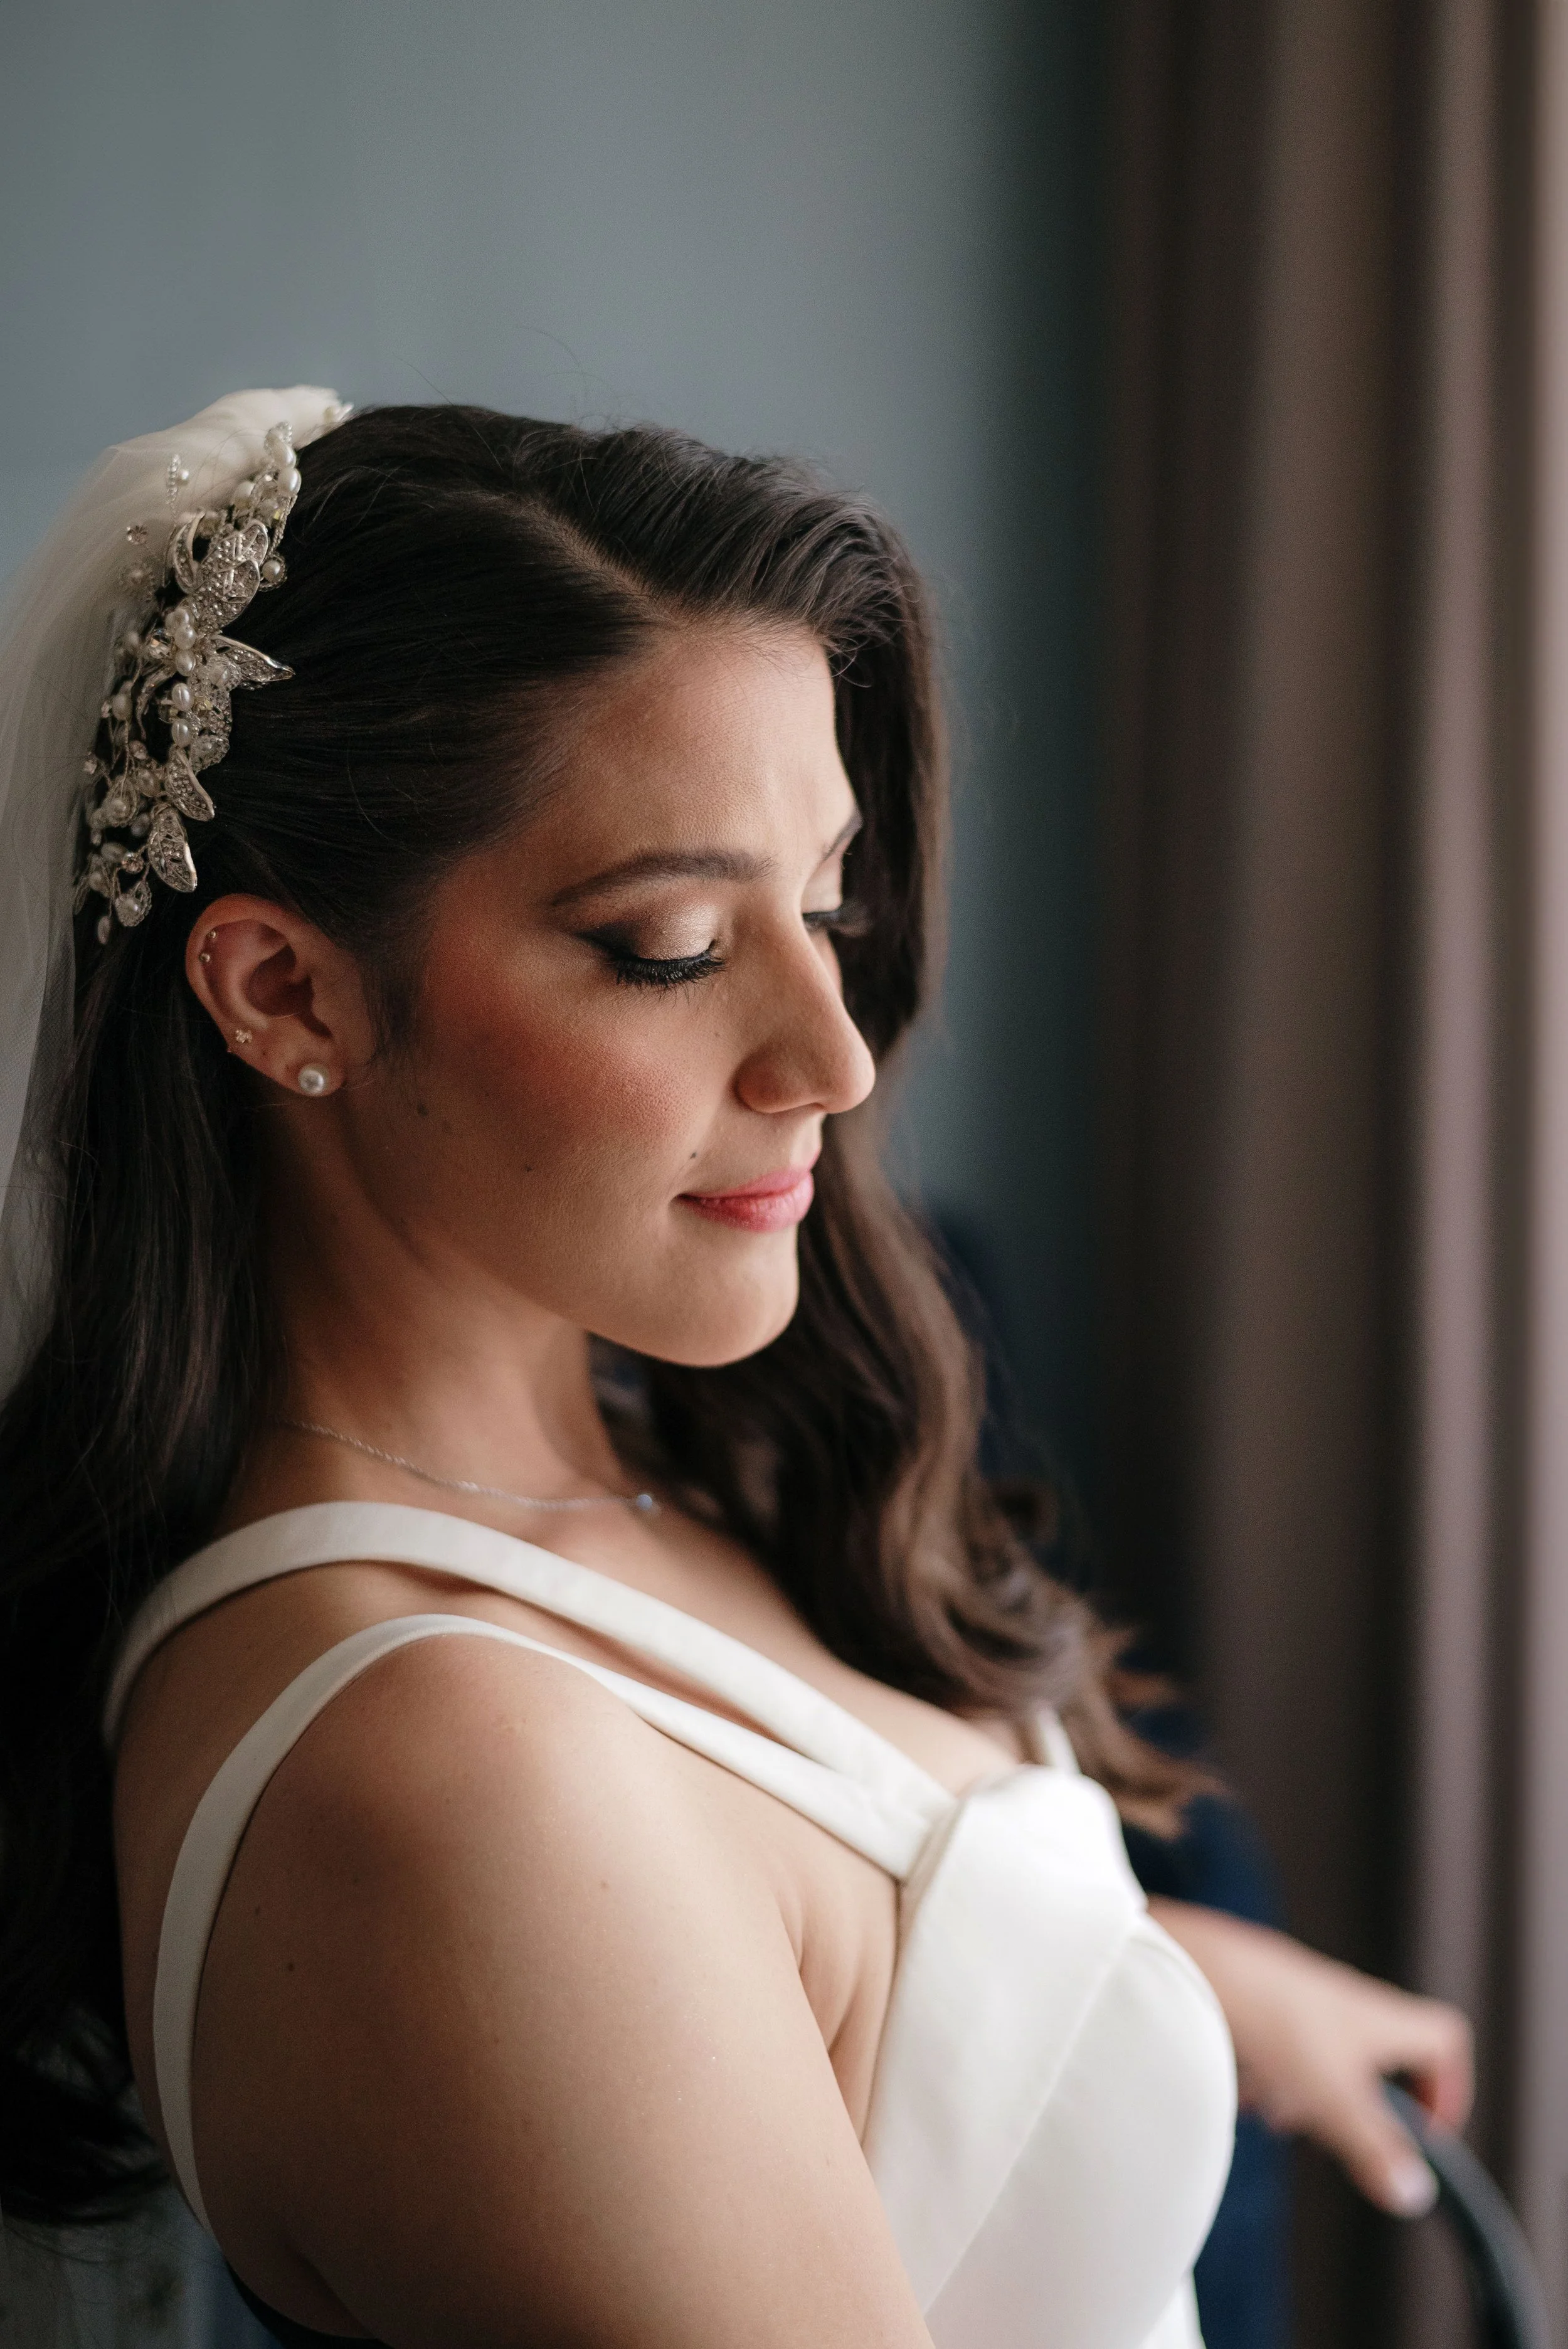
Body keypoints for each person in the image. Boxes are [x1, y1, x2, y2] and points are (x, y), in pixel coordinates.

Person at [0, 391, 1470, 2349]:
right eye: (673, 948)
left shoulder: (637, 1458)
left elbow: (799, 1958)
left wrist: (1160, 1988)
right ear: (285, 993)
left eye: (827, 899)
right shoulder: (446, 1783)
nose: (837, 1057)